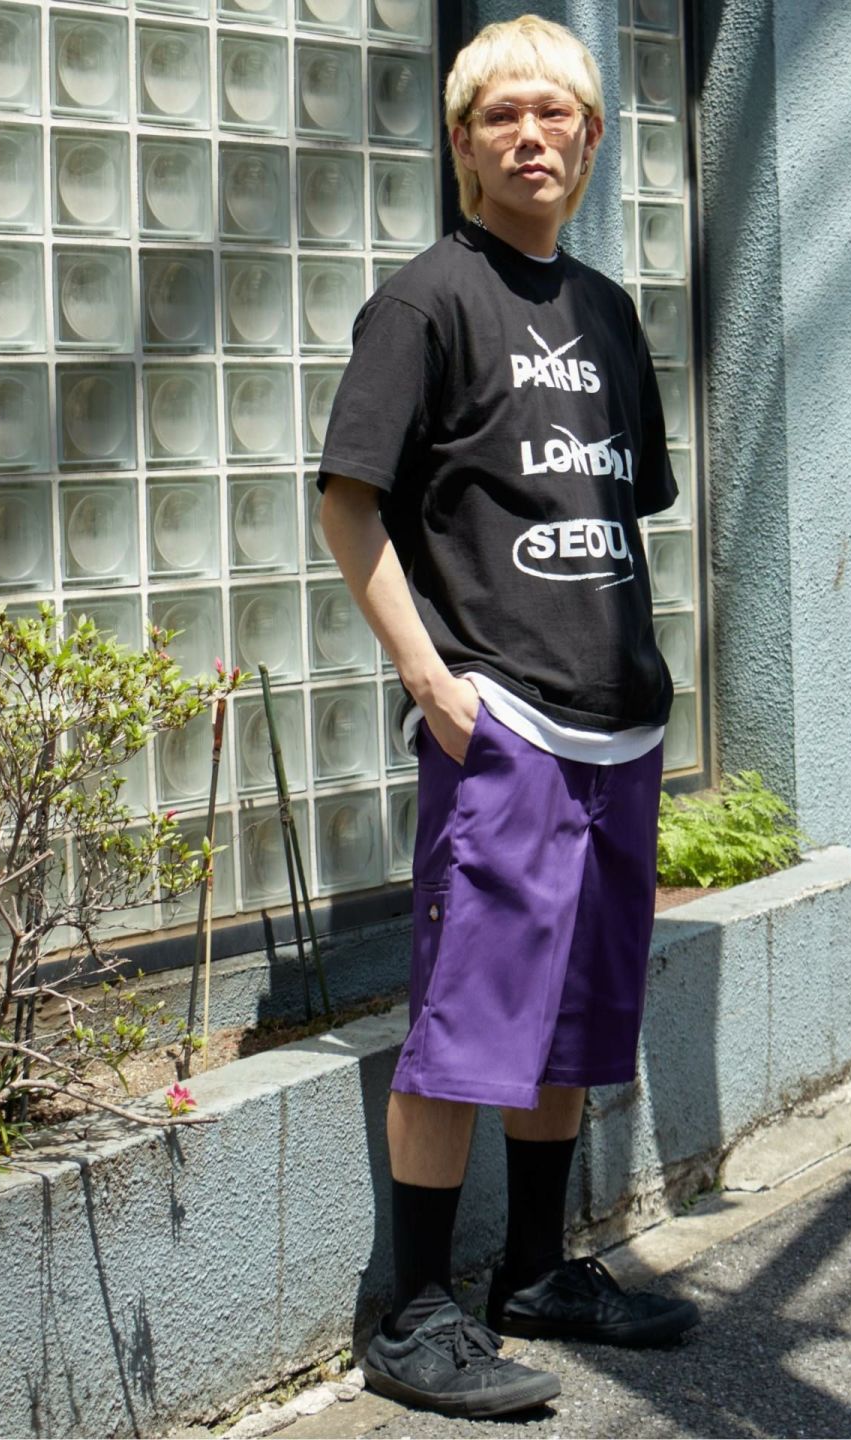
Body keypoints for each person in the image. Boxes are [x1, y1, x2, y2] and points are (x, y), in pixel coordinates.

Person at [318, 13, 700, 1419]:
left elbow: (613, 512)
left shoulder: (607, 313)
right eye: (501, 116)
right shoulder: (426, 302)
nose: (531, 135)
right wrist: (432, 681)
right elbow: (347, 502)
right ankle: (414, 1314)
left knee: (573, 1021)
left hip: (617, 726)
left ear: (591, 143)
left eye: (556, 115)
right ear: (463, 144)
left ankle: (535, 1273)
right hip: (504, 725)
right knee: (466, 1025)